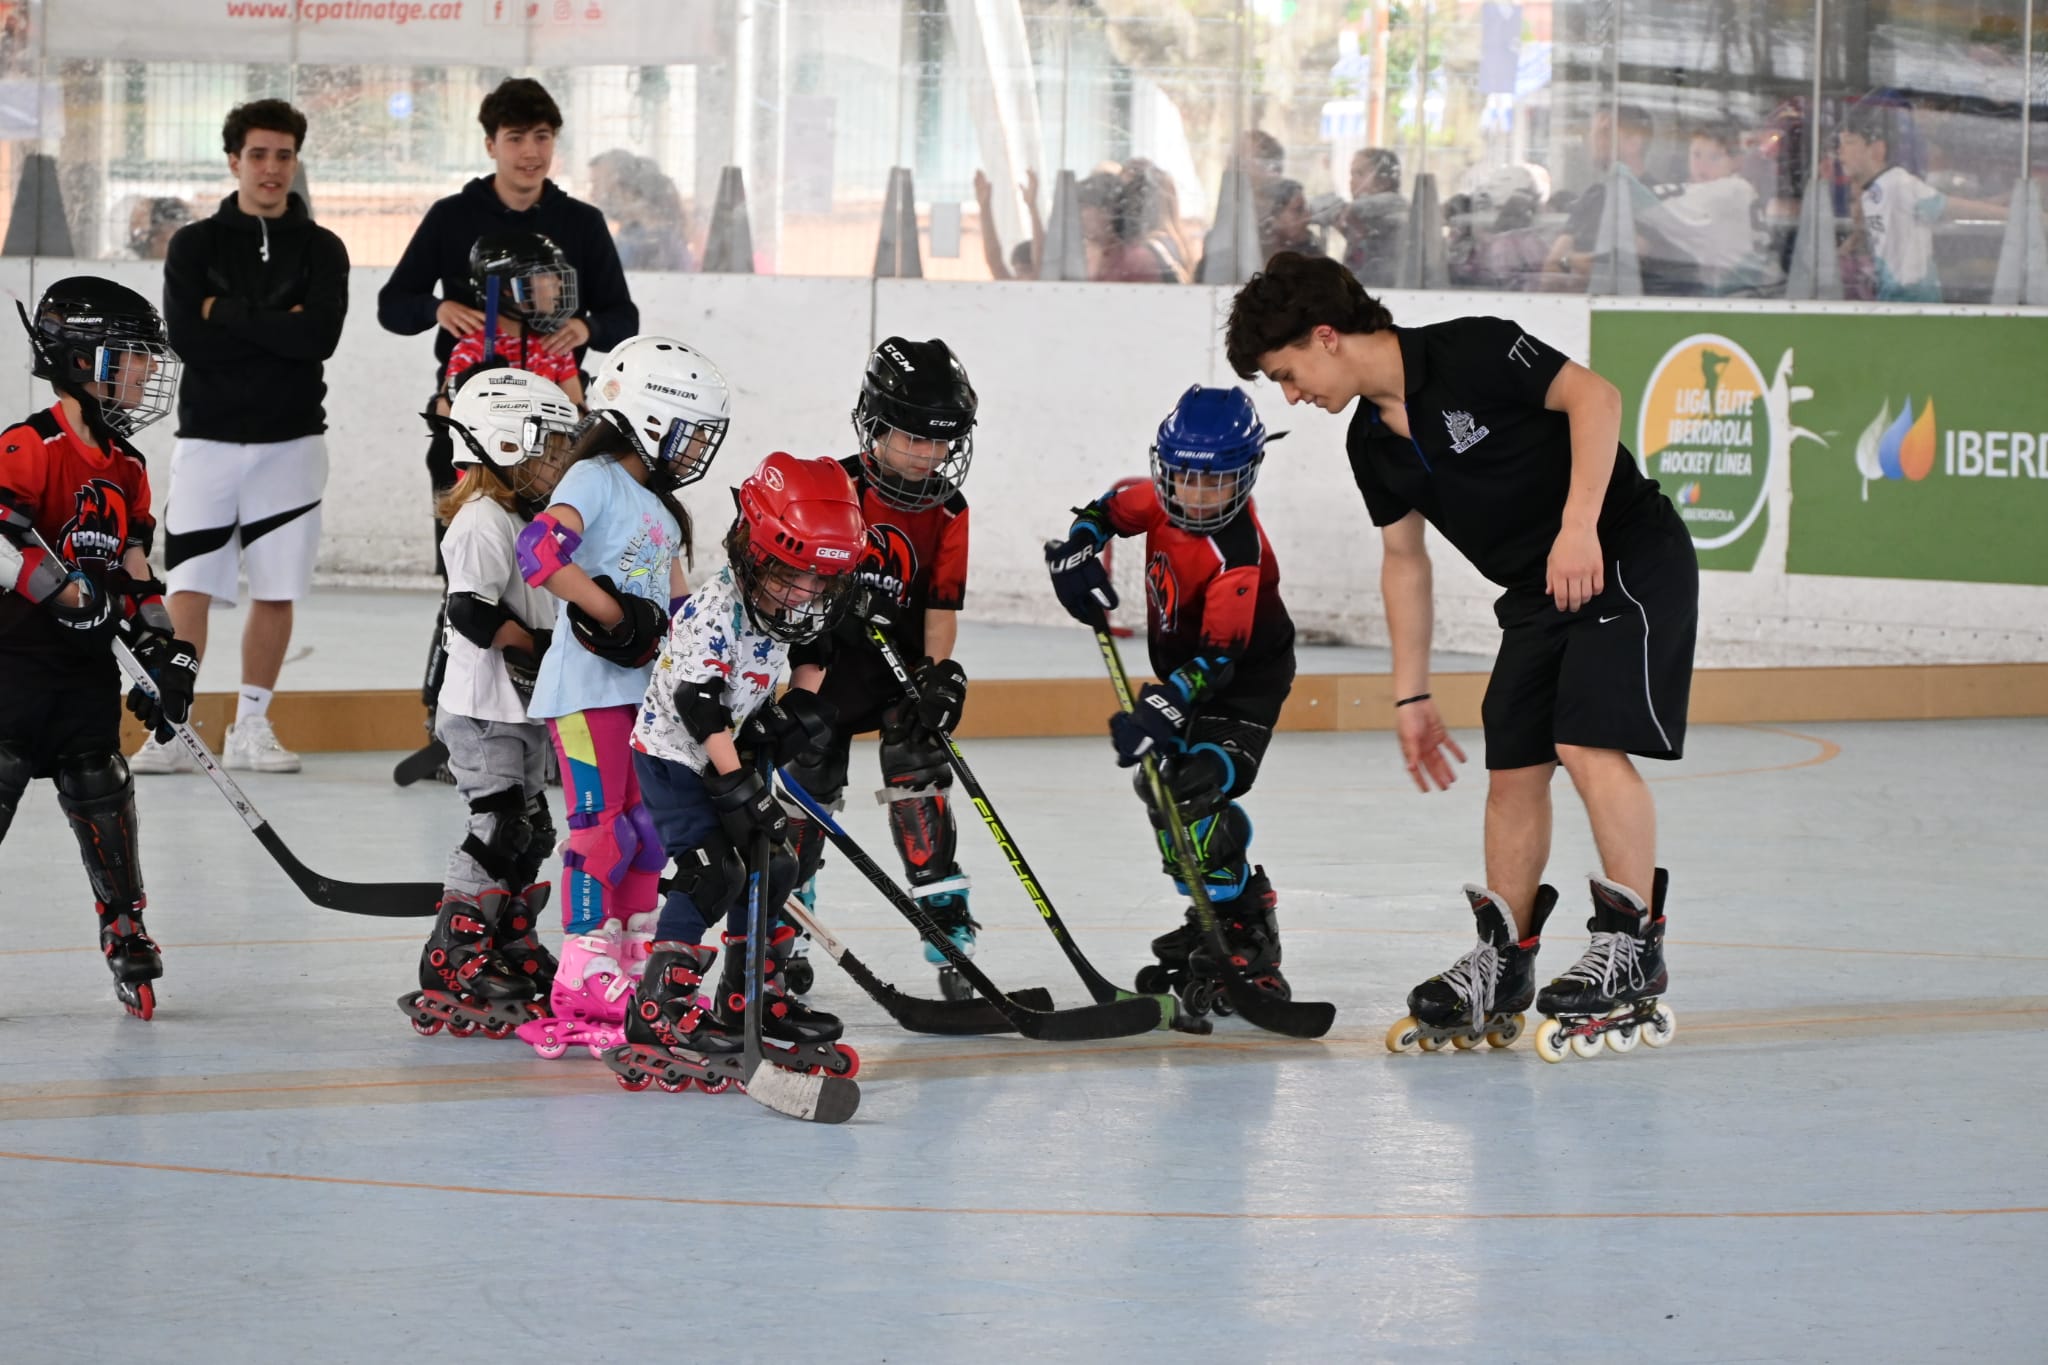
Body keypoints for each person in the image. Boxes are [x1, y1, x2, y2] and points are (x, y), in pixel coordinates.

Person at [1224, 252, 1694, 1059]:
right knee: (1513, 761)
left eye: (1287, 372)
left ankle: (1632, 946)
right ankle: (1504, 962)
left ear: (1326, 335)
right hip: (1539, 592)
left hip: (1623, 552)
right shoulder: (1372, 443)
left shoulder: (1473, 349)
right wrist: (1411, 695)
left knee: (1583, 736)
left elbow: (1596, 397)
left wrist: (1579, 524)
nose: (1294, 395)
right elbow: (1405, 560)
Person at [606, 451, 868, 1091]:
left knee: (776, 865)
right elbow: (697, 708)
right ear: (754, 555)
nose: (804, 596)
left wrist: (797, 709)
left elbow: (817, 648)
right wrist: (740, 786)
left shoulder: (792, 603)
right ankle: (657, 1010)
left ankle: (747, 997)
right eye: (790, 579)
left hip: (732, 746)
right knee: (712, 872)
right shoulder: (715, 610)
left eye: (818, 583)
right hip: (676, 756)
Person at [1043, 385, 1297, 1019]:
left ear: (1246, 476)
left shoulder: (1239, 554)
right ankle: (1212, 914)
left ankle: (1250, 936)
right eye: (1184, 477)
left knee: (1197, 784)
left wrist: (1166, 705)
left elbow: (1220, 658)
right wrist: (1080, 546)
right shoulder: (1155, 499)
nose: (1198, 495)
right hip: (1189, 673)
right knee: (1162, 791)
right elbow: (1104, 511)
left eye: (1217, 483)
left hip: (1244, 684)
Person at [0, 277, 196, 1020]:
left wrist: (164, 650)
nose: (146, 374)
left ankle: (125, 923)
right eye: (133, 358)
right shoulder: (30, 445)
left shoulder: (127, 466)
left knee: (101, 785)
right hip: (13, 664)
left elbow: (134, 568)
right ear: (81, 361)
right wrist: (67, 594)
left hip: (83, 673)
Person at [142, 98, 349, 776]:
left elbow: (317, 338)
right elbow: (189, 342)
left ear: (296, 160)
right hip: (207, 441)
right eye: (258, 154)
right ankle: (172, 726)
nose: (271, 168)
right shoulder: (195, 245)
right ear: (234, 160)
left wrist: (226, 313)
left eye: (283, 155)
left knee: (276, 588)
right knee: (190, 588)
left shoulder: (324, 249)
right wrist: (272, 326)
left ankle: (252, 725)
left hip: (293, 446)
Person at [516, 336, 729, 976]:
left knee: (648, 830)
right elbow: (539, 552)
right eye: (689, 435)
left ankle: (633, 954)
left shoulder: (662, 508)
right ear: (651, 419)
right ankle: (583, 965)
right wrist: (612, 616)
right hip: (586, 690)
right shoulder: (595, 477)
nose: (695, 451)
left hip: (645, 700)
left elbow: (681, 608)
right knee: (602, 828)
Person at [780, 338, 978, 1000]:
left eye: (939, 444)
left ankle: (949, 935)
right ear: (875, 425)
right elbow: (790, 583)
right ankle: (787, 931)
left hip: (898, 672)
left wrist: (938, 677)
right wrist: (830, 602)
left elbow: (941, 608)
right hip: (827, 667)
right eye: (911, 439)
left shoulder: (949, 511)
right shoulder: (834, 487)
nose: (927, 456)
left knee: (919, 771)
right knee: (805, 785)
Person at [398, 367, 580, 1041]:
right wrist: (537, 642)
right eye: (545, 446)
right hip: (482, 706)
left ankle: (506, 935)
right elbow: (472, 613)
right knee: (499, 823)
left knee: (531, 828)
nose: (555, 460)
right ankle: (455, 950)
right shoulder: (480, 520)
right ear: (504, 445)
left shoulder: (519, 517)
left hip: (518, 707)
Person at [377, 78, 637, 537]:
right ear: (490, 144)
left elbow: (623, 319)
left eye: (542, 136)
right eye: (515, 138)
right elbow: (392, 306)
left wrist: (586, 328)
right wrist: (437, 310)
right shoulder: (451, 216)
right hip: (469, 412)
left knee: (553, 561)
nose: (530, 151)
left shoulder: (582, 222)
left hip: (557, 419)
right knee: (467, 556)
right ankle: (458, 607)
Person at [1837, 107, 2008, 303]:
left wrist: (2015, 215)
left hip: (1914, 300)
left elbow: (1952, 207)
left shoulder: (1899, 183)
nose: (1840, 150)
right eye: (1840, 143)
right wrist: (1853, 240)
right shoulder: (1870, 193)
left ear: (1877, 149)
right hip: (1889, 298)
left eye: (1850, 142)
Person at [440, 231, 587, 406]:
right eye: (546, 275)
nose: (558, 282)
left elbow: (578, 416)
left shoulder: (554, 344)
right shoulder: (473, 348)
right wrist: (464, 386)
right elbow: (444, 418)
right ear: (508, 289)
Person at [1641, 122, 1767, 296]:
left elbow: (1654, 201)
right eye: (1696, 155)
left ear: (1736, 162)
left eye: (1714, 157)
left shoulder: (1734, 189)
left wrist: (1630, 189)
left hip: (1736, 294)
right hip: (1725, 290)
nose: (1702, 165)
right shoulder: (1719, 192)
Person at [1540, 104, 1656, 290]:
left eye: (1604, 132)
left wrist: (1569, 261)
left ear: (1635, 142)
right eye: (1593, 132)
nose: (1593, 140)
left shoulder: (1654, 197)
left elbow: (1622, 264)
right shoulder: (1593, 196)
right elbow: (1551, 268)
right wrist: (1569, 262)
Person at [1338, 148, 1406, 287]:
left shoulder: (1396, 218)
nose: (1352, 181)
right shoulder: (1360, 221)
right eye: (1352, 174)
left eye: (1360, 174)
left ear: (1384, 181)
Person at [973, 167, 1045, 280]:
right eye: (1017, 272)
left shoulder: (1047, 285)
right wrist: (984, 208)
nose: (1019, 278)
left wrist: (1032, 207)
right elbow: (994, 262)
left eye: (1025, 271)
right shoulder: (1013, 288)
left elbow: (1040, 256)